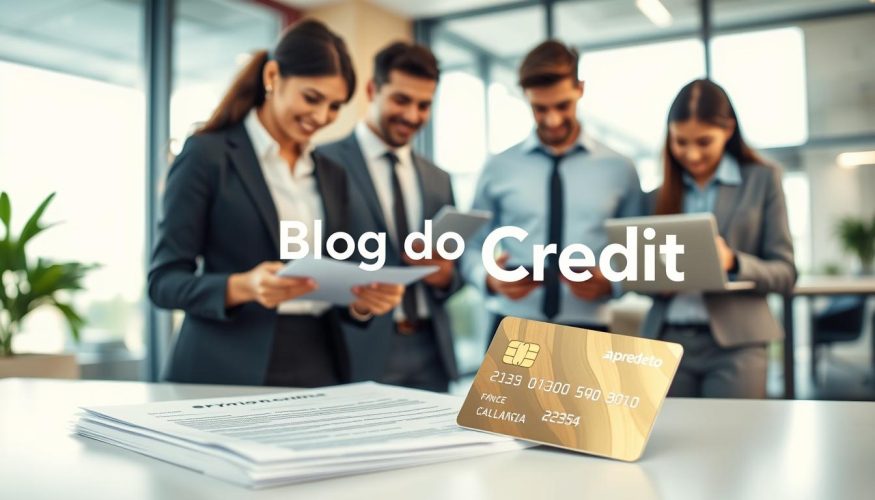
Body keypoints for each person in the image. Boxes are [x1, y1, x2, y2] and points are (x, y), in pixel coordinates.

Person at [148, 20, 404, 387]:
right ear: (272, 76)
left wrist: (363, 301)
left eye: (334, 106)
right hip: (226, 365)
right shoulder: (208, 155)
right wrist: (244, 286)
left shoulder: (331, 173)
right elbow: (164, 282)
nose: (321, 117)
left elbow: (338, 272)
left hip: (320, 362)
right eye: (311, 98)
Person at [461, 40, 643, 343]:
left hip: (591, 330)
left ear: (580, 89)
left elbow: (640, 251)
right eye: (539, 108)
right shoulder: (499, 166)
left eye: (562, 106)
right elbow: (469, 244)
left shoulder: (620, 169)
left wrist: (614, 282)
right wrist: (488, 278)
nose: (552, 119)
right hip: (512, 326)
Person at [317, 42, 460, 392]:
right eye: (401, 100)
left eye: (424, 105)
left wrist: (445, 276)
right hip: (359, 346)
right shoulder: (323, 163)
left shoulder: (438, 178)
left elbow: (454, 271)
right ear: (372, 90)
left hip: (432, 349)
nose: (412, 116)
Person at [641, 79, 797, 398]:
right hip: (666, 342)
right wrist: (657, 279)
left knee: (736, 444)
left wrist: (734, 262)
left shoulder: (763, 180)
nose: (692, 154)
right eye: (680, 142)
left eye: (704, 141)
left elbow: (785, 273)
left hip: (737, 346)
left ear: (727, 131)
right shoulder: (656, 197)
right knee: (673, 445)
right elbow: (636, 280)